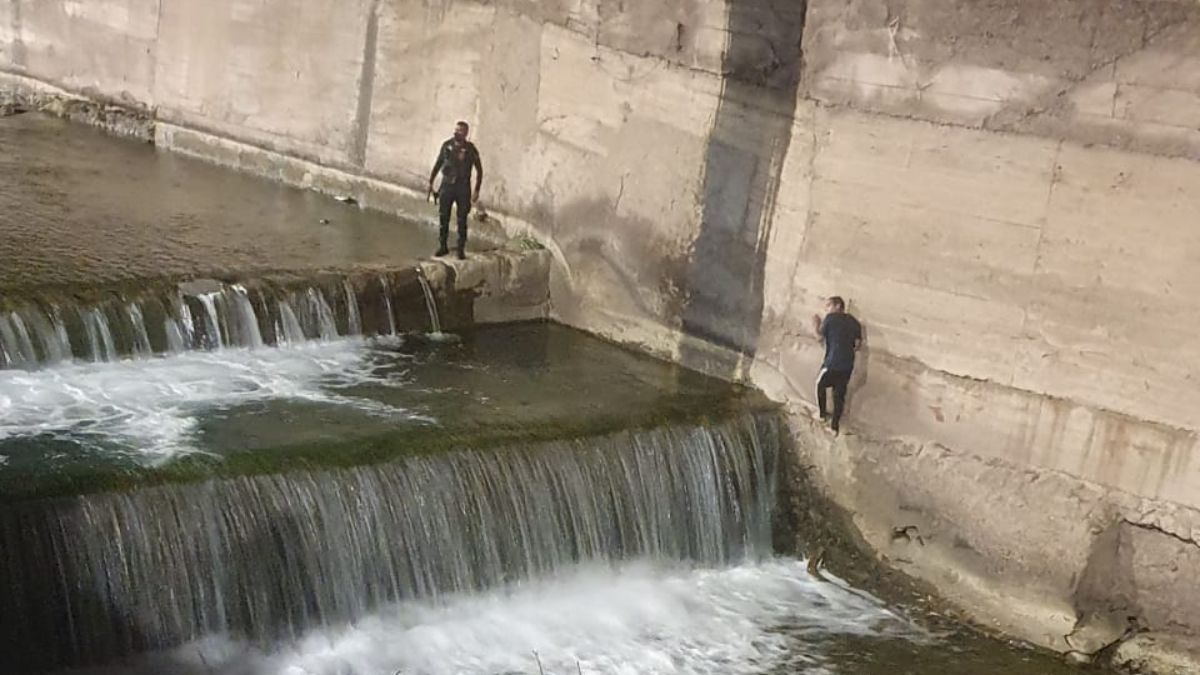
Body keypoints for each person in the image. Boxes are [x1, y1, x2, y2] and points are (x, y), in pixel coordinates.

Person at [428, 121, 483, 260]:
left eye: (460, 131)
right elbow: (438, 163)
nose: (457, 132)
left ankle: (460, 248)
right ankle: (443, 246)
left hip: (462, 188)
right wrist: (431, 181)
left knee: (462, 219)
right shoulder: (447, 145)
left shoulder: (470, 149)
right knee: (443, 216)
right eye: (456, 130)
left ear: (466, 133)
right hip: (447, 186)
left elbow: (479, 170)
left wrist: (477, 190)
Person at [811, 296, 862, 434]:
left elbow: (819, 337)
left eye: (829, 305)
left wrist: (815, 324)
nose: (826, 309)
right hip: (848, 364)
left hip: (832, 362)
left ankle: (822, 415)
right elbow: (857, 345)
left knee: (820, 384)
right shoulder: (854, 322)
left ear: (838, 306)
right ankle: (834, 427)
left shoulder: (831, 318)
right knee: (839, 394)